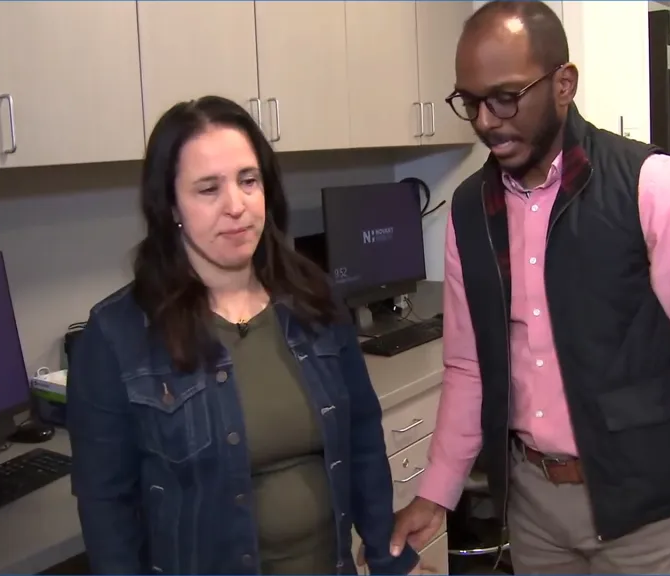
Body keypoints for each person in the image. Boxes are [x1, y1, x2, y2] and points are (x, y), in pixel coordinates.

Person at [391, 2, 670, 575]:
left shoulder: (653, 188)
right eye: (471, 103)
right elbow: (469, 368)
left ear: (563, 84)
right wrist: (436, 490)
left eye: (506, 97)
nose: (487, 121)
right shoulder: (469, 209)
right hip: (535, 507)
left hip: (646, 508)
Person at [66, 95, 420, 575]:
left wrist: (387, 556)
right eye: (208, 189)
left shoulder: (315, 300)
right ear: (171, 204)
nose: (236, 206)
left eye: (248, 181)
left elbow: (361, 440)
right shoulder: (118, 337)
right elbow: (108, 510)